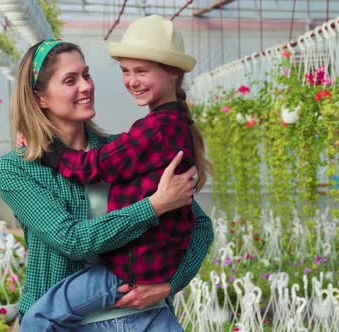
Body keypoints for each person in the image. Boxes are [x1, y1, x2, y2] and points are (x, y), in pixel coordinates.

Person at [20, 15, 213, 331]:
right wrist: (156, 205)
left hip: (143, 310)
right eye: (70, 80)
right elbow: (73, 241)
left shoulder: (132, 143)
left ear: (174, 73)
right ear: (40, 98)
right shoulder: (19, 167)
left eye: (87, 75)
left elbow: (200, 226)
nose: (86, 86)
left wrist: (169, 284)